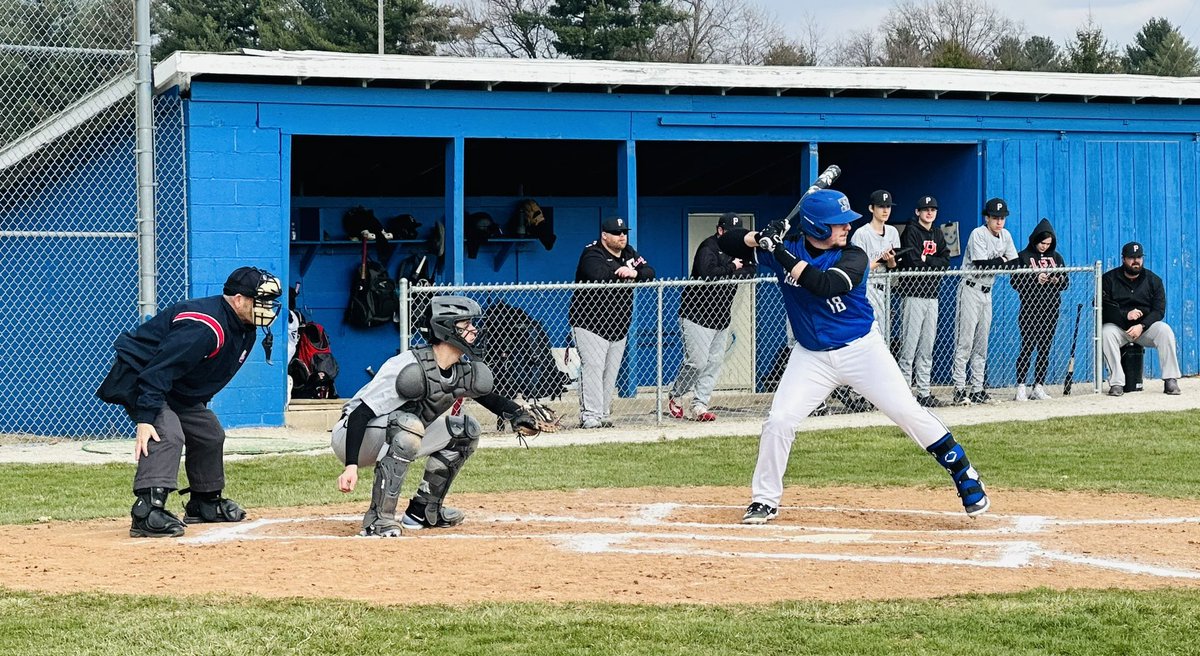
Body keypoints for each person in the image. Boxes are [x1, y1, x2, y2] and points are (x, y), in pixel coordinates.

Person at [722, 189, 989, 525]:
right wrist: (757, 237)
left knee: (906, 411)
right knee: (779, 421)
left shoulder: (854, 256)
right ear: (817, 228)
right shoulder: (784, 250)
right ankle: (764, 499)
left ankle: (964, 473)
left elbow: (823, 285)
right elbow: (726, 244)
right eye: (838, 224)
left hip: (862, 350)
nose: (847, 228)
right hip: (811, 357)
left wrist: (777, 250)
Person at [96, 266, 283, 538]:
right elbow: (158, 370)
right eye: (260, 301)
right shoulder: (204, 327)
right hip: (142, 377)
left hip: (173, 386)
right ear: (239, 299)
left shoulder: (245, 328)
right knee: (168, 433)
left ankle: (204, 503)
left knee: (208, 433)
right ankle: (147, 511)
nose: (266, 308)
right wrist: (145, 418)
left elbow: (208, 374)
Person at [331, 296, 541, 537]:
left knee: (465, 430)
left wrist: (517, 414)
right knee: (408, 426)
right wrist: (351, 466)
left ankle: (423, 510)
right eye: (466, 325)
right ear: (447, 330)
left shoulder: (459, 369)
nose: (473, 331)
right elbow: (360, 414)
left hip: (396, 432)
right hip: (351, 436)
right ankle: (378, 519)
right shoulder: (407, 367)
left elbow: (488, 397)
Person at [567, 216, 656, 429]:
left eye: (624, 232)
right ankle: (590, 415)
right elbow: (597, 274)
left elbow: (650, 272)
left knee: (610, 372)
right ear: (604, 236)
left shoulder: (629, 253)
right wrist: (623, 273)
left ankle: (603, 413)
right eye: (617, 233)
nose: (622, 236)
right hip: (590, 324)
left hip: (619, 325)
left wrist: (634, 272)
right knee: (594, 368)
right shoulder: (592, 252)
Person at [668, 212, 757, 422]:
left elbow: (752, 270)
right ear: (720, 231)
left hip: (721, 315)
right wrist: (732, 267)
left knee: (714, 362)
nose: (735, 237)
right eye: (730, 232)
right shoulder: (709, 246)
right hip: (696, 314)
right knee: (697, 362)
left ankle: (699, 405)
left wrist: (729, 271)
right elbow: (707, 273)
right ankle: (676, 395)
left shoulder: (743, 249)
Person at [951, 197, 1018, 405]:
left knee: (982, 343)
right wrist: (1001, 261)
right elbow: (981, 265)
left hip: (988, 291)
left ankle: (978, 388)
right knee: (965, 341)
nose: (999, 222)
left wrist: (999, 262)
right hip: (970, 288)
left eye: (1002, 218)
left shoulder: (1005, 235)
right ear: (987, 218)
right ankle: (959, 388)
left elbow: (1014, 262)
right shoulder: (977, 234)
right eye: (995, 217)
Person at [1101, 242, 1181, 396]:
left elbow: (1159, 311)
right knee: (1106, 332)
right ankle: (1117, 383)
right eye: (1131, 257)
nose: (1135, 261)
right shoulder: (1109, 279)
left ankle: (1170, 380)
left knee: (1165, 330)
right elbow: (1101, 307)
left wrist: (1142, 325)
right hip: (1120, 328)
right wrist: (1125, 314)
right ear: (1123, 259)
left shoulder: (1153, 280)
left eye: (1139, 257)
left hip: (1144, 330)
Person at [895, 195, 951, 408]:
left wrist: (929, 260)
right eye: (925, 209)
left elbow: (945, 261)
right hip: (913, 294)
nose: (929, 212)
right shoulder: (911, 231)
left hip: (932, 295)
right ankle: (904, 392)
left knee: (927, 346)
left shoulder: (937, 233)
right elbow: (914, 260)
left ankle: (924, 391)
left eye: (933, 209)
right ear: (918, 212)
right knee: (909, 346)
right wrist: (928, 262)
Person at [1010, 219, 1068, 401]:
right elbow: (1015, 282)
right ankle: (1021, 386)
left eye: (1048, 244)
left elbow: (1066, 282)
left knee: (1045, 348)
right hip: (1030, 308)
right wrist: (1035, 280)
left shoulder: (1056, 257)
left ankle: (1038, 385)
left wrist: (1056, 280)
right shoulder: (1023, 256)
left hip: (1051, 308)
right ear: (1035, 239)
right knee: (1027, 346)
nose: (1044, 247)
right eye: (1042, 243)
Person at [850, 189, 901, 334]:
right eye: (881, 206)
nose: (885, 210)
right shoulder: (861, 233)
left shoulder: (893, 232)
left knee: (883, 335)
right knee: (868, 333)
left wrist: (890, 262)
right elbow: (858, 268)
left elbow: (893, 267)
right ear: (871, 208)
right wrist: (881, 260)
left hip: (885, 288)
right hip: (867, 288)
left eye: (888, 206)